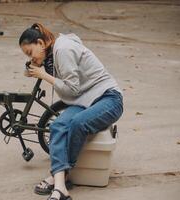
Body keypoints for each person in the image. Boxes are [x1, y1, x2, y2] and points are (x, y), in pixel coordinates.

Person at [19, 23, 123, 200]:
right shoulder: (50, 55)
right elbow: (68, 86)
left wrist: (43, 75)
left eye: (30, 53)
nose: (30, 58)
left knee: (78, 123)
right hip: (84, 101)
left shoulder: (63, 49)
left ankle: (60, 176)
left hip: (109, 98)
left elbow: (72, 89)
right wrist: (34, 67)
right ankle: (61, 187)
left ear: (41, 43)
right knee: (58, 125)